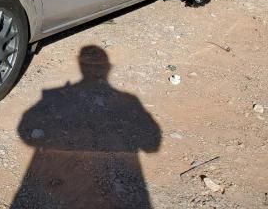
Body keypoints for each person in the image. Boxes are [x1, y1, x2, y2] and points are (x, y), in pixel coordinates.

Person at [13, 46, 161, 209]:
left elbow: (24, 129)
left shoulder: (56, 95)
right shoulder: (129, 100)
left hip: (62, 188)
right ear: (108, 68)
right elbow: (152, 145)